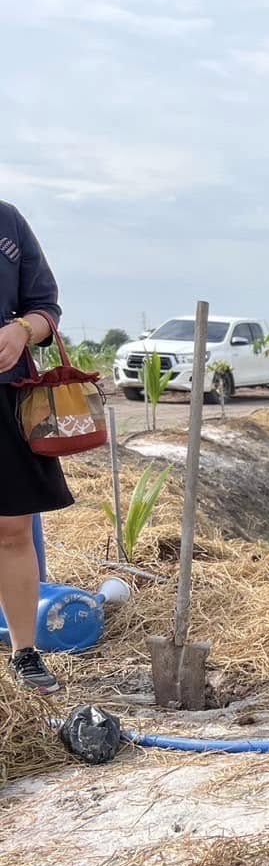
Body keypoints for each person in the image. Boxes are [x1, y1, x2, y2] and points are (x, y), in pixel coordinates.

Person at [0, 201, 69, 695]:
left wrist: (21, 329)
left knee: (12, 527)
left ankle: (24, 653)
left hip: (7, 393)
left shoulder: (8, 221)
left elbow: (46, 307)